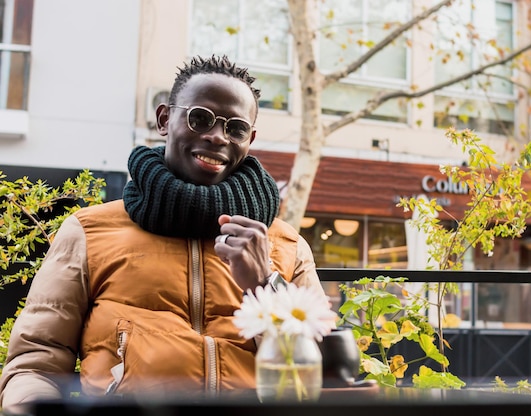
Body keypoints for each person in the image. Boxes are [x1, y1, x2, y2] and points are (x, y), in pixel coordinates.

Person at [0, 55, 324, 413]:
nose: (217, 136)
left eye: (236, 128)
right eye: (200, 118)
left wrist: (264, 284)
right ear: (165, 120)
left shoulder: (285, 245)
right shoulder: (89, 232)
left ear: (250, 140)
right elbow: (36, 363)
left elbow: (319, 372)